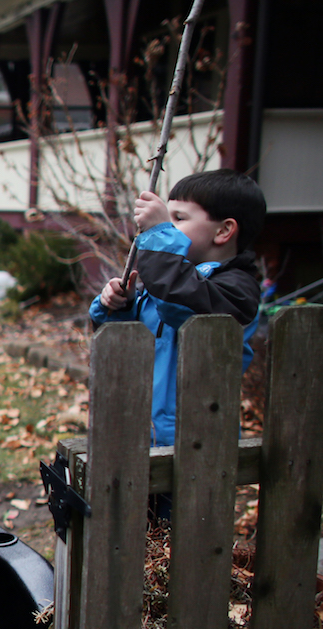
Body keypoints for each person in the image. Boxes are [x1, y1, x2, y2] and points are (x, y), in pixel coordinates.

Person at [90, 169, 263, 517]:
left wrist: (157, 233)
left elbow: (186, 309)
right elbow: (133, 344)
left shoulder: (236, 289)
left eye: (178, 219)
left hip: (194, 441)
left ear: (225, 230)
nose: (167, 225)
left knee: (182, 536)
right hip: (138, 433)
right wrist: (117, 309)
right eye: (166, 219)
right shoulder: (172, 281)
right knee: (129, 530)